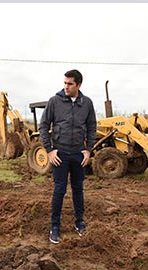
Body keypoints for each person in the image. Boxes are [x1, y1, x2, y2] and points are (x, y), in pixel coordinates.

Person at [39, 69, 96, 244]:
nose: (66, 86)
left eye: (70, 83)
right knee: (59, 190)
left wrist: (88, 150)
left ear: (78, 85)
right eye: (64, 83)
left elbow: (92, 127)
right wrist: (49, 150)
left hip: (79, 155)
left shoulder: (86, 103)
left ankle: (79, 222)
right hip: (60, 154)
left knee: (78, 190)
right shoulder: (55, 101)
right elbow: (43, 125)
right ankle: (55, 227)